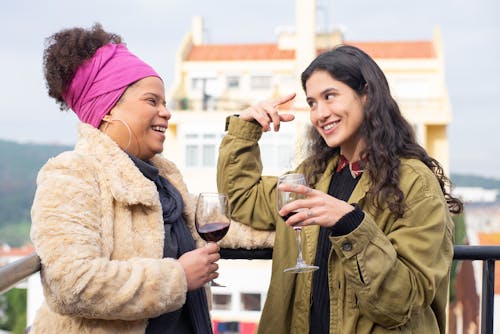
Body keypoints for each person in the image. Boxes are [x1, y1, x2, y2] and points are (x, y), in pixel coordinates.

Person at [30, 23, 272, 334]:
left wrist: (304, 225)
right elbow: (72, 283)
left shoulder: (163, 181)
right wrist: (178, 278)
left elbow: (228, 225)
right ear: (108, 110)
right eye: (152, 101)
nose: (166, 112)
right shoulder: (72, 174)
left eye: (165, 102)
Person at [217, 44, 463, 334]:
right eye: (312, 103)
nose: (320, 114)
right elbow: (242, 199)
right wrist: (245, 129)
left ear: (367, 95)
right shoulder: (312, 175)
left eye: (330, 96)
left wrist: (350, 224)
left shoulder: (415, 183)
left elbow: (401, 302)